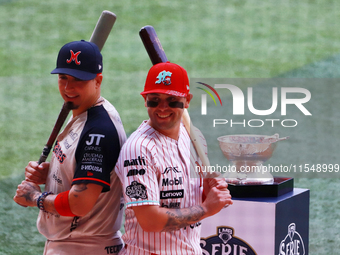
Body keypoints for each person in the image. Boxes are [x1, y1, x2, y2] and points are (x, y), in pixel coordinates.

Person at [13, 40, 127, 255]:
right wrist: (53, 174)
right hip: (75, 243)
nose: (68, 88)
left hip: (84, 246)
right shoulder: (83, 113)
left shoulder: (98, 131)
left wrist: (34, 198)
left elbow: (80, 203)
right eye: (63, 78)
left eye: (78, 80)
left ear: (98, 80)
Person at [115, 61, 233, 255]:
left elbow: (186, 199)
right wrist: (206, 208)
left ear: (187, 101)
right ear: (145, 99)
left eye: (172, 100)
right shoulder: (139, 149)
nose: (162, 107)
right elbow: (150, 221)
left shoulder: (195, 139)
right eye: (154, 99)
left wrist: (206, 191)